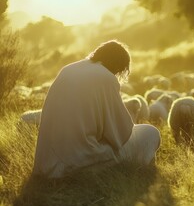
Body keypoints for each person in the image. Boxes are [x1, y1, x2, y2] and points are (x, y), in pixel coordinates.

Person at [33, 40, 161, 178]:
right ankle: (145, 174)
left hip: (46, 165)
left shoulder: (68, 69)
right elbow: (120, 134)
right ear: (119, 65)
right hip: (78, 162)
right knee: (150, 133)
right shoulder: (106, 77)